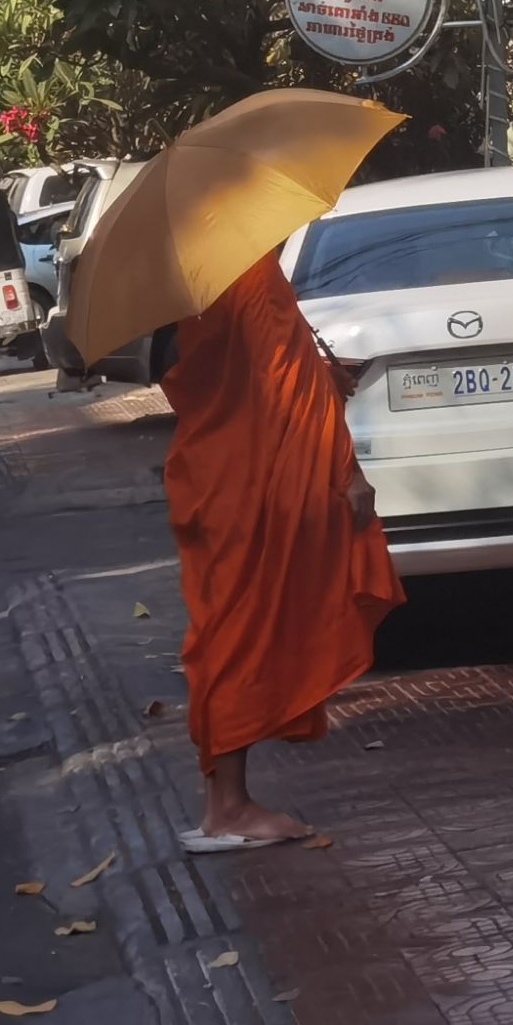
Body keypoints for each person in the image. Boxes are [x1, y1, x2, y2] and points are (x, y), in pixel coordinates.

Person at [160, 251, 403, 851]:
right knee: (243, 631)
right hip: (258, 477)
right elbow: (283, 385)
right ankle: (230, 808)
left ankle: (222, 803)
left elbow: (217, 375)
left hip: (212, 471)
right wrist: (348, 473)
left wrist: (318, 374)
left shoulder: (193, 276)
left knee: (224, 629)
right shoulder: (252, 272)